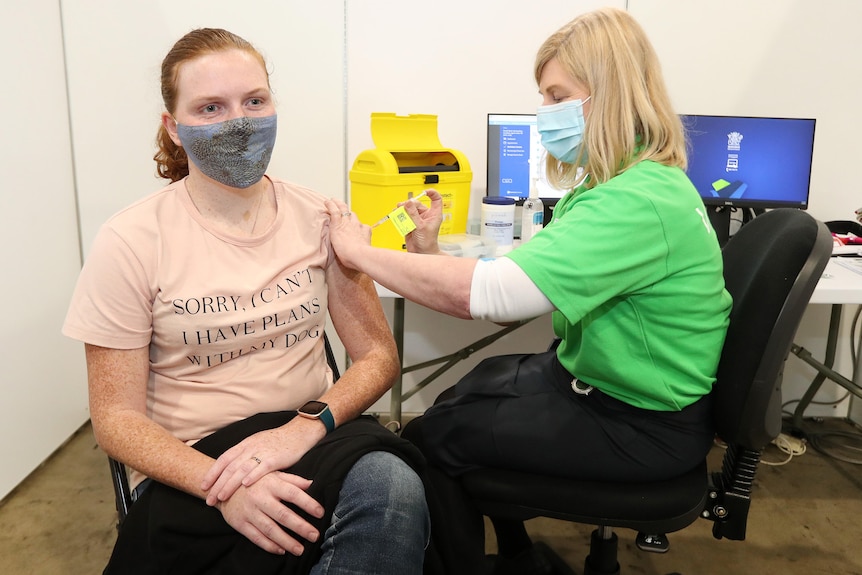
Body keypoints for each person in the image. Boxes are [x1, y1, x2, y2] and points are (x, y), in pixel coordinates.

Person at [324, 7, 732, 574]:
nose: (545, 114)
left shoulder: (636, 202)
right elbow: (512, 295)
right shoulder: (623, 185)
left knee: (429, 442)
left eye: (557, 95)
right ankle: (517, 555)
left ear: (608, 93)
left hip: (640, 424)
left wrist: (361, 253)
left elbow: (493, 298)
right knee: (457, 400)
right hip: (600, 385)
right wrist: (427, 252)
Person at [62, 28, 430, 575]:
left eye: (254, 101)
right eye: (210, 107)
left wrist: (300, 430)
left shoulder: (320, 220)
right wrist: (224, 487)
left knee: (395, 489)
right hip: (193, 463)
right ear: (174, 128)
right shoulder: (131, 241)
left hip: (310, 435)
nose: (239, 121)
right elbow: (115, 418)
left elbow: (377, 355)